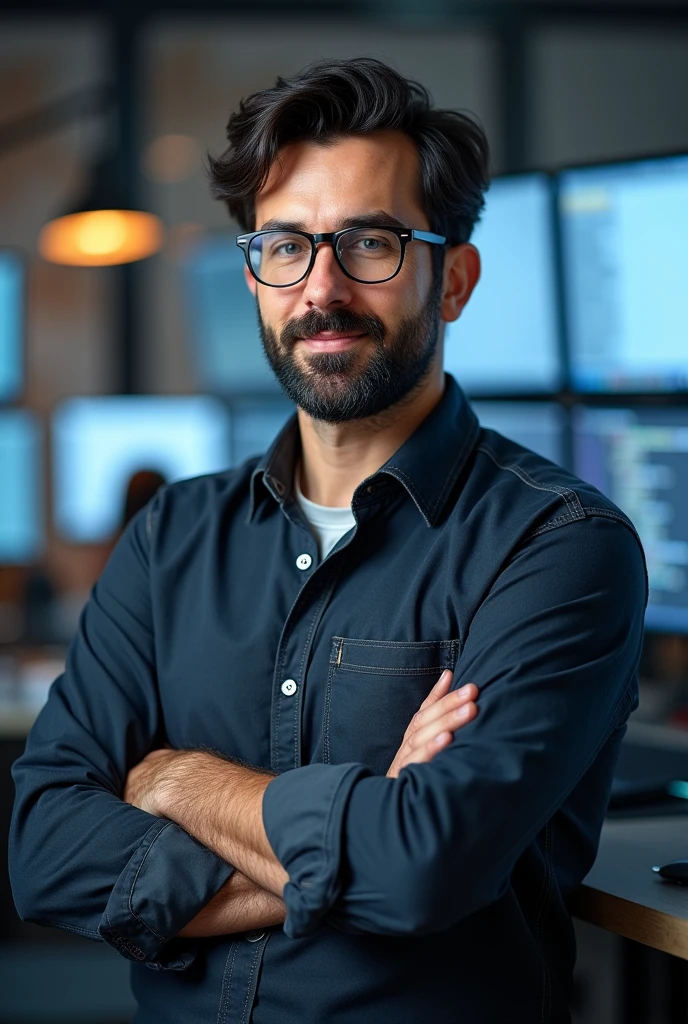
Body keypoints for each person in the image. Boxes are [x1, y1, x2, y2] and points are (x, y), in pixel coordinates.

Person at [10, 59, 647, 1024]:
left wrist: (177, 778)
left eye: (370, 242)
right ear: (255, 273)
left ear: (456, 278)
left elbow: (425, 874)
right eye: (285, 246)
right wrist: (369, 829)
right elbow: (43, 851)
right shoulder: (173, 536)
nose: (322, 287)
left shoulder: (561, 546)